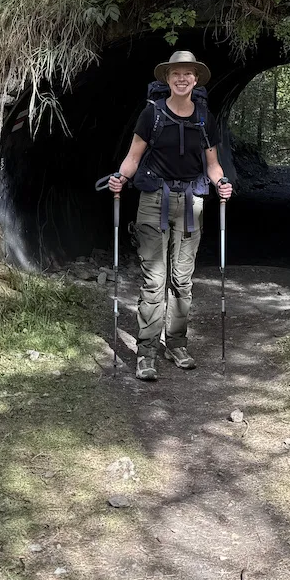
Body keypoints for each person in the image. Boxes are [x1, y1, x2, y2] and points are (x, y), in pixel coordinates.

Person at [109, 50, 233, 381]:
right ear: (167, 79)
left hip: (192, 201)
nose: (181, 78)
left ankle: (176, 344)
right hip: (153, 199)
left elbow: (212, 164)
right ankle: (146, 352)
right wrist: (120, 178)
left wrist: (221, 182)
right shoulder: (151, 115)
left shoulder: (205, 118)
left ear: (195, 79)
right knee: (154, 280)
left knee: (182, 280)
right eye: (175, 73)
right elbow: (133, 157)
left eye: (187, 74)